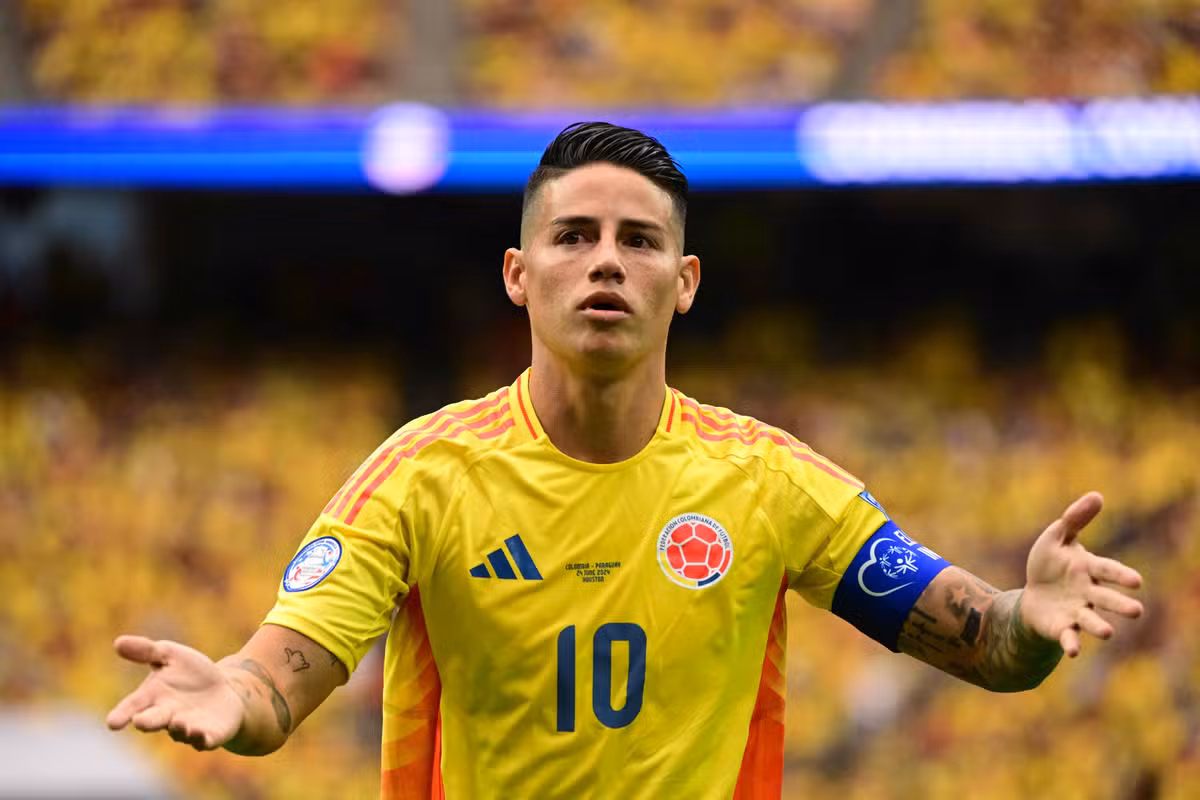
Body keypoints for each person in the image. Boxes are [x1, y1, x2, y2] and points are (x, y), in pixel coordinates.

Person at [107, 122, 1145, 798]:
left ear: (684, 280)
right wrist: (232, 693)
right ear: (519, 272)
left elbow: (988, 645)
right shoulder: (421, 474)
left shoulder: (768, 479)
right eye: (575, 235)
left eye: (640, 240)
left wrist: (1030, 620)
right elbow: (279, 680)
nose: (607, 257)